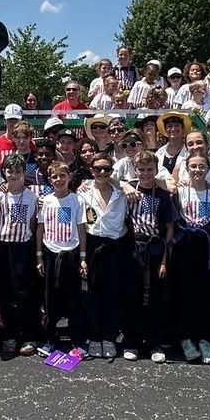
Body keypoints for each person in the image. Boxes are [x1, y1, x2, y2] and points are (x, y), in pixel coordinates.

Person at [0, 153, 38, 356]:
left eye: (17, 171)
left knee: (24, 293)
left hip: (22, 248)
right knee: (3, 293)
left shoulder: (31, 197)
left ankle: (28, 335)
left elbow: (32, 224)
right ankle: (8, 335)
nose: (13, 175)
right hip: (2, 247)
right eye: (9, 171)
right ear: (4, 172)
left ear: (24, 172)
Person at [124, 151, 175, 363]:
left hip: (155, 248)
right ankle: (132, 341)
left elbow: (170, 227)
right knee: (132, 296)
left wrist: (164, 259)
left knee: (156, 297)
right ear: (135, 170)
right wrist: (124, 185)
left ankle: (155, 342)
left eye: (149, 169)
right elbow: (106, 180)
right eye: (141, 169)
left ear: (156, 170)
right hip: (133, 248)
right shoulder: (129, 190)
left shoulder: (163, 195)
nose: (145, 173)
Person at [171, 151, 210, 364]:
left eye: (202, 166)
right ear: (187, 168)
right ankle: (185, 337)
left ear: (208, 169)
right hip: (184, 245)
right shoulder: (179, 190)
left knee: (206, 294)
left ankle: (205, 339)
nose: (197, 170)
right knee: (184, 292)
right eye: (193, 166)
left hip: (206, 246)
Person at [79, 151, 128, 360]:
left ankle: (109, 336)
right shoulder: (83, 192)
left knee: (113, 294)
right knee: (91, 294)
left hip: (116, 247)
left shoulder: (122, 192)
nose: (102, 172)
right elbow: (81, 226)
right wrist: (82, 256)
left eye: (106, 169)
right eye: (97, 168)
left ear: (112, 171)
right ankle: (94, 336)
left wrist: (126, 185)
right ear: (91, 170)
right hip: (92, 245)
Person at [34, 160, 86, 357]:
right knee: (50, 300)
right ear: (50, 180)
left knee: (74, 301)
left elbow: (81, 229)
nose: (58, 180)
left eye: (62, 176)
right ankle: (49, 339)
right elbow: (40, 229)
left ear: (69, 177)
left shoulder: (77, 200)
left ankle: (77, 340)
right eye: (54, 177)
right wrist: (39, 256)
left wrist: (83, 257)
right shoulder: (46, 201)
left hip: (71, 255)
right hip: (50, 254)